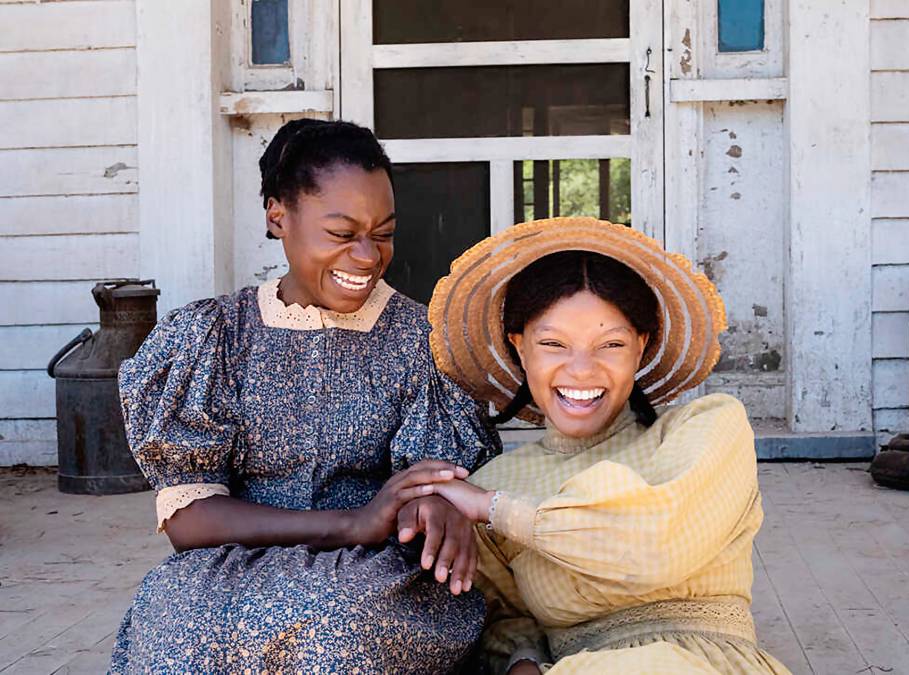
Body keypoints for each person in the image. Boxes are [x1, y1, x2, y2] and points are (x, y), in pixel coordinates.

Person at [111, 119, 500, 673]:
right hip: (233, 563)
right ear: (278, 216)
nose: (367, 256)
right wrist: (347, 522)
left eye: (383, 232)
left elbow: (427, 488)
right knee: (170, 616)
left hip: (378, 572)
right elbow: (188, 520)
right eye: (342, 234)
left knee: (327, 623)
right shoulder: (215, 336)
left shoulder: (423, 343)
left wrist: (431, 507)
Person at [427, 217, 792, 674]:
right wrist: (521, 661)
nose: (581, 371)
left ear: (641, 347)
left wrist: (497, 509)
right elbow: (508, 618)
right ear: (520, 348)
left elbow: (651, 549)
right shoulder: (496, 483)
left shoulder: (706, 429)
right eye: (554, 344)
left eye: (611, 344)